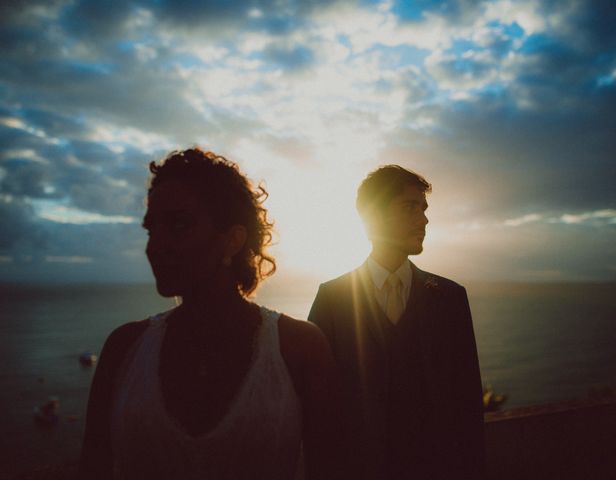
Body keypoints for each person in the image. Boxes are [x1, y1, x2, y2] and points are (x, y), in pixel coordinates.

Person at [80, 148, 341, 480]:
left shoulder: (299, 349)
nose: (155, 245)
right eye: (151, 228)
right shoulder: (124, 349)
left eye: (178, 224)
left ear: (232, 240)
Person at [308, 165, 485, 480]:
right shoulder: (332, 299)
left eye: (424, 208)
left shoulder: (451, 298)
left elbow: (468, 403)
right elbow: (316, 407)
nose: (425, 219)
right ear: (373, 216)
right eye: (410, 207)